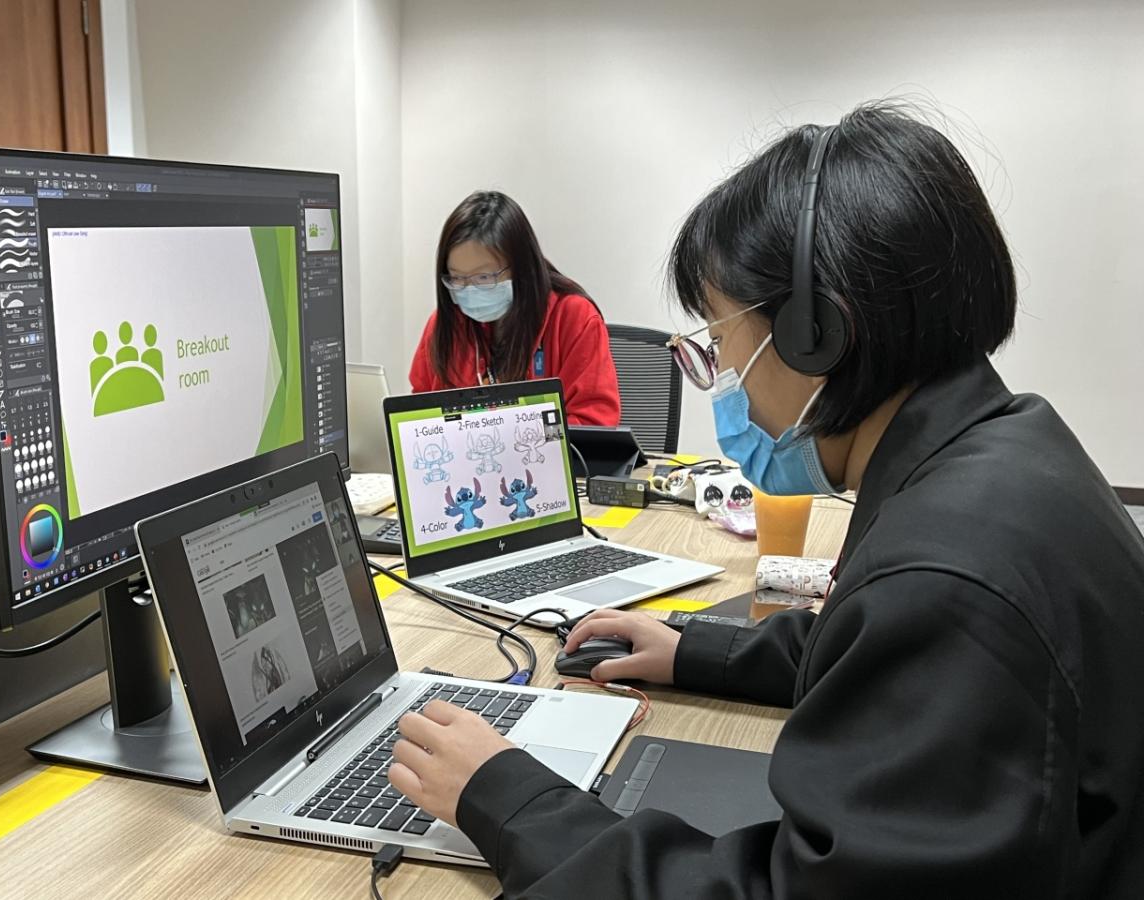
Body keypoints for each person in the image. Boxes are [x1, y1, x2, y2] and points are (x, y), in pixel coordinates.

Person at [387, 103, 1144, 898]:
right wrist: (692, 649)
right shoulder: (998, 454)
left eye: (718, 337)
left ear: (816, 334)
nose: (719, 368)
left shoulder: (948, 583)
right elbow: (872, 653)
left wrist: (512, 798)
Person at [409, 191, 621, 425]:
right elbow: (419, 413)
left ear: (521, 268)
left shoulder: (573, 317)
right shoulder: (444, 324)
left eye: (484, 277)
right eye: (458, 279)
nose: (469, 290)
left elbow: (593, 422)